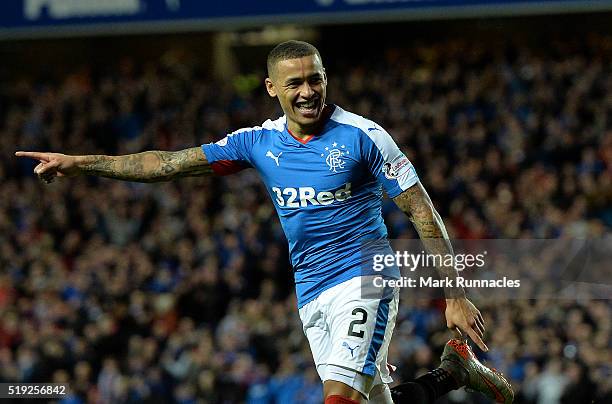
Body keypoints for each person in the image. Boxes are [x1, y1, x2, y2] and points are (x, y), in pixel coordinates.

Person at [16, 40, 513, 404]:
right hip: (312, 289)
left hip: (367, 277)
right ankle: (452, 374)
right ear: (272, 87)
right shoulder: (258, 142)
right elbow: (165, 165)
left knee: (339, 398)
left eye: (315, 78)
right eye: (294, 82)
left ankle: (452, 372)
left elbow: (420, 208)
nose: (307, 91)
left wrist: (454, 294)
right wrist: (83, 163)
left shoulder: (364, 137)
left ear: (326, 78)